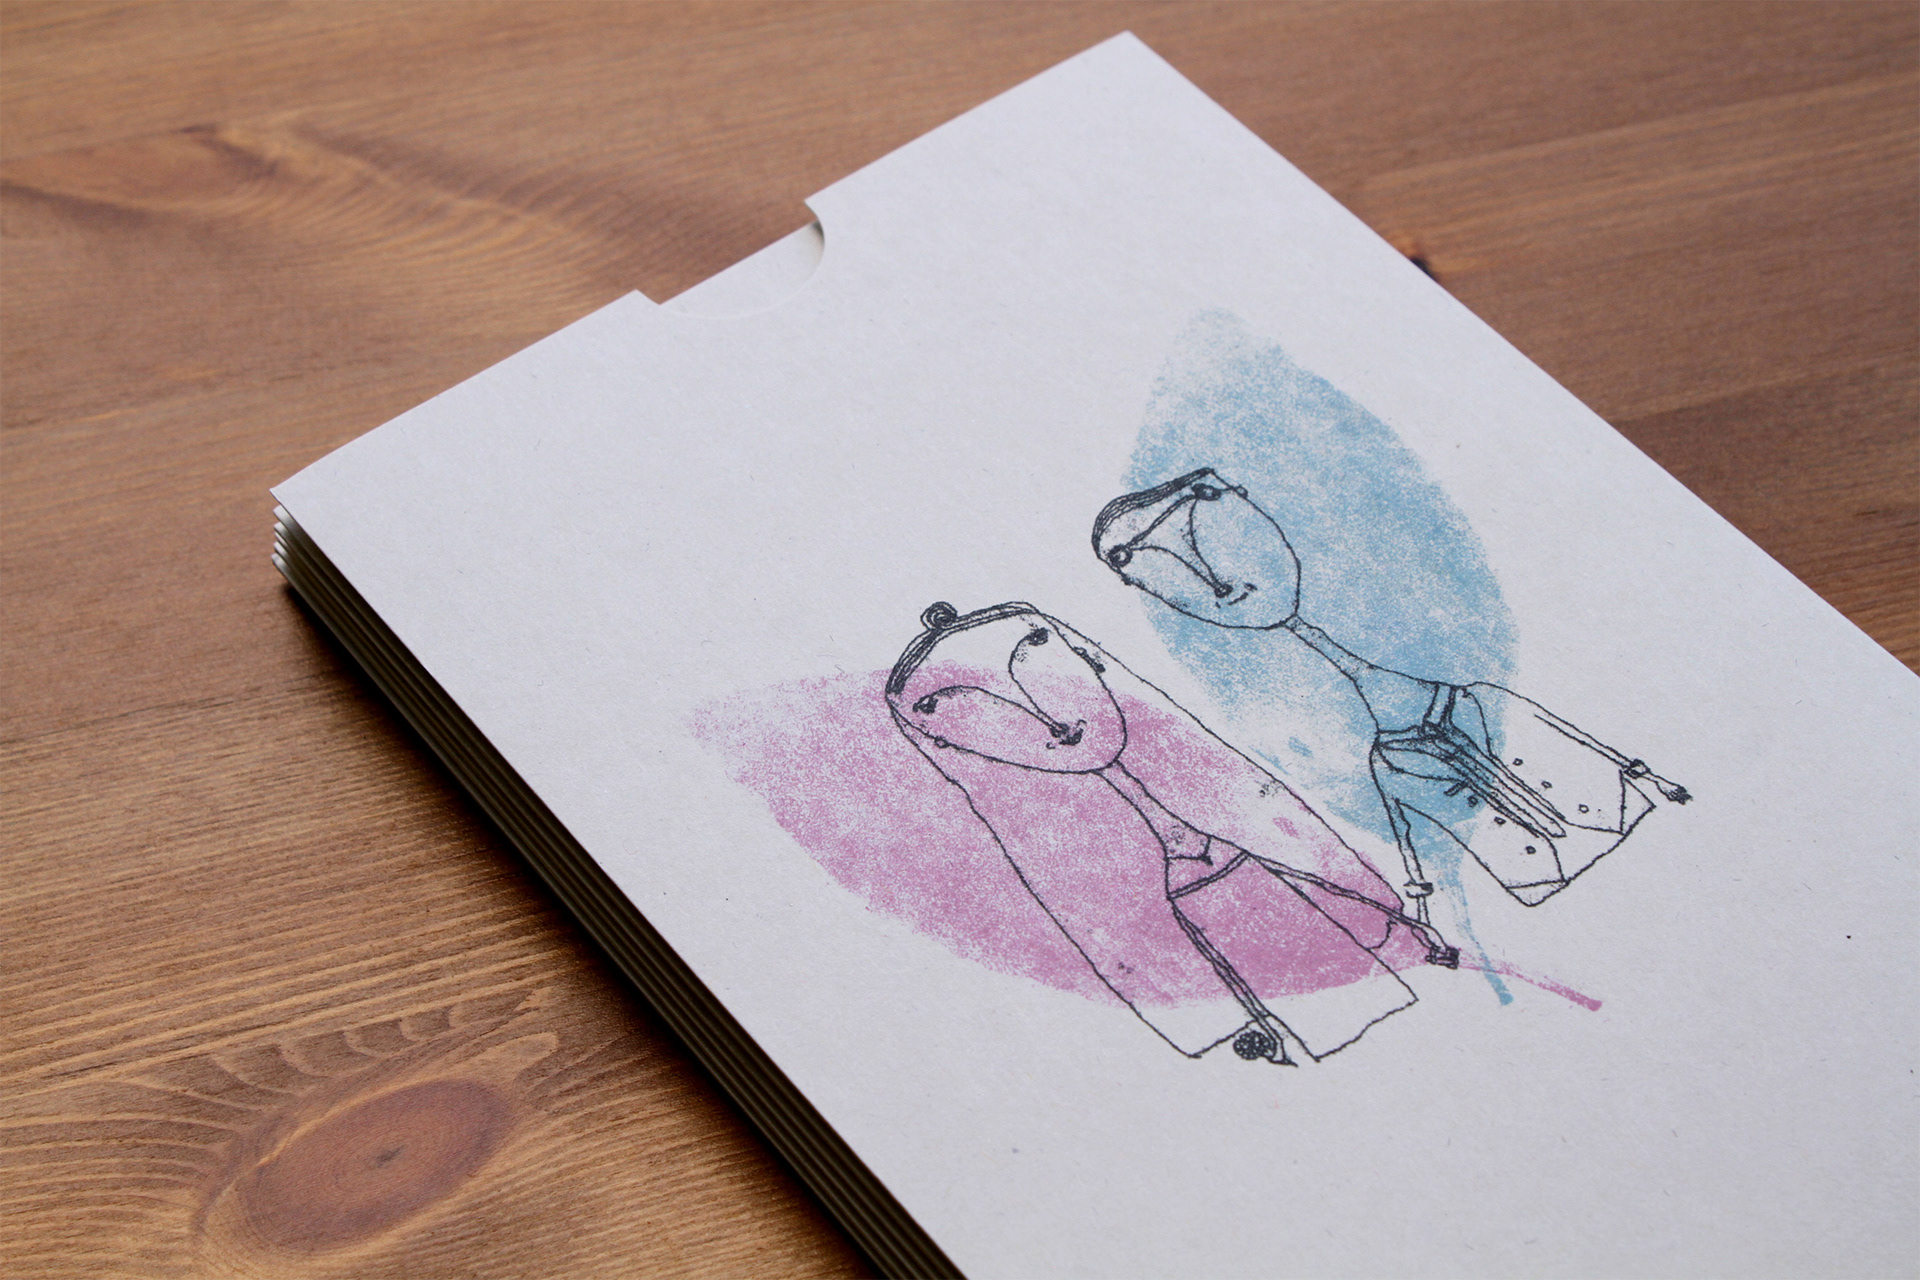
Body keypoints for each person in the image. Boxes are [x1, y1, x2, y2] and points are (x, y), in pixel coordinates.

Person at [1091, 468, 1691, 922]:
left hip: (1617, 824)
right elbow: (1409, 833)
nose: (1218, 584)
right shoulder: (1394, 756)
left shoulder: (1467, 696)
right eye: (1140, 568)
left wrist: (1643, 778)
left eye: (1203, 519)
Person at [885, 600, 1456, 1065]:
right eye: (956, 710)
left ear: (1084, 657)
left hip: (1371, 966)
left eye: (1035, 655)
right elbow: (1120, 941)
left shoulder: (1214, 783)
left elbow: (1304, 848)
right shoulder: (1073, 858)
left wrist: (1398, 922)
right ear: (946, 743)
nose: (1049, 720)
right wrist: (1225, 1032)